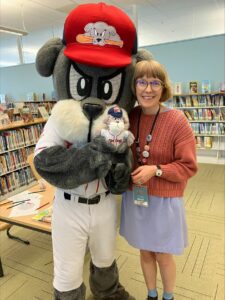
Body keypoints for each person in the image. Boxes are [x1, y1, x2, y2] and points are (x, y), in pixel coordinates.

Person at [120, 60, 198, 300]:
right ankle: (151, 294)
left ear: (163, 88)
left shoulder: (177, 121)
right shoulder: (130, 117)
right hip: (137, 197)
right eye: (142, 82)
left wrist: (157, 170)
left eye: (155, 82)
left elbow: (188, 166)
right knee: (145, 251)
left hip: (164, 200)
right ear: (134, 86)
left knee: (163, 254)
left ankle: (168, 296)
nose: (148, 89)